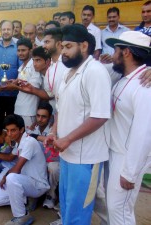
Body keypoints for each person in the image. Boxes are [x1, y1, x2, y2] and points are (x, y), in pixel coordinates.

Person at [45, 24, 111, 225]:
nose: (63, 51)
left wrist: (68, 139)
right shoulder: (68, 73)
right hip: (67, 154)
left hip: (86, 158)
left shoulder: (95, 72)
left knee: (79, 211)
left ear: (83, 46)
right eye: (62, 47)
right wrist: (54, 133)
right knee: (66, 205)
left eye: (68, 46)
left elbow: (100, 116)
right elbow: (60, 108)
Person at [105, 31, 151, 225]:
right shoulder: (125, 77)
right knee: (114, 209)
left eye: (116, 50)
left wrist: (130, 172)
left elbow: (144, 132)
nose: (112, 54)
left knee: (120, 210)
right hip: (115, 152)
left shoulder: (145, 85)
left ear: (126, 53)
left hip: (128, 158)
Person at [0, 114, 50, 225]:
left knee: (11, 178)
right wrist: (6, 175)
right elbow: (14, 164)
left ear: (22, 129)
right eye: (7, 130)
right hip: (25, 181)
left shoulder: (29, 141)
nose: (9, 134)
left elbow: (17, 169)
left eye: (13, 130)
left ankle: (22, 217)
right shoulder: (18, 142)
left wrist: (6, 176)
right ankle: (26, 199)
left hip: (37, 184)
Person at [27, 102, 59, 210]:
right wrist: (34, 135)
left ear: (50, 117)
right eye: (38, 116)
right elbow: (27, 137)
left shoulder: (54, 130)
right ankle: (34, 195)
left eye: (44, 116)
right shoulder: (33, 127)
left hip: (52, 161)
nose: (40, 119)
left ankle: (51, 195)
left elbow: (51, 142)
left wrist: (35, 136)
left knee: (53, 168)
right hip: (38, 160)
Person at [0, 20, 20, 122]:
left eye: (8, 29)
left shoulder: (18, 47)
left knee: (12, 121)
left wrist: (15, 83)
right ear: (0, 31)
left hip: (13, 93)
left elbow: (22, 70)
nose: (6, 31)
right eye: (4, 29)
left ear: (13, 31)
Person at [12, 38, 42, 127]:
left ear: (30, 50)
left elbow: (33, 88)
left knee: (29, 137)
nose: (20, 53)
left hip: (29, 111)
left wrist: (14, 87)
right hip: (19, 108)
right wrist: (14, 82)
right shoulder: (22, 66)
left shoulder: (34, 65)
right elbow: (22, 81)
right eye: (18, 50)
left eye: (23, 50)